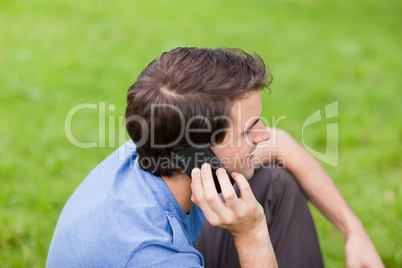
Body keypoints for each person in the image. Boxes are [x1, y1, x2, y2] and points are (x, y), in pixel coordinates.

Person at [47, 47, 384, 267]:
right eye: (249, 128)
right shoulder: (153, 255)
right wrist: (251, 234)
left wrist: (355, 232)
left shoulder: (161, 144)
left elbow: (280, 145)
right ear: (199, 152)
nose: (264, 134)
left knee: (272, 182)